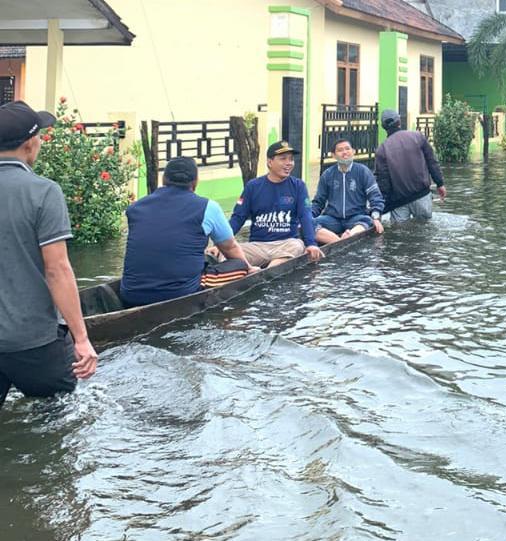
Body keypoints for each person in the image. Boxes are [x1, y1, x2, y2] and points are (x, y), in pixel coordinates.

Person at [0, 101, 97, 409]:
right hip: (34, 342)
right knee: (58, 417)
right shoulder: (43, 191)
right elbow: (58, 270)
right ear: (30, 145)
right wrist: (81, 339)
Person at [120, 157, 255, 307]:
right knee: (239, 265)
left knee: (208, 257)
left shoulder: (135, 208)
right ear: (195, 181)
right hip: (181, 292)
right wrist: (249, 268)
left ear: (164, 179)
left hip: (130, 294)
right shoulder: (208, 207)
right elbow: (230, 247)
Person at [228, 141, 321, 267]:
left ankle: (267, 271)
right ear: (270, 162)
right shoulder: (253, 186)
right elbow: (238, 217)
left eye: (291, 159)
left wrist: (311, 243)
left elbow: (305, 216)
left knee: (297, 245)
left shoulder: (298, 186)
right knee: (223, 254)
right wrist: (222, 243)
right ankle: (252, 270)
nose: (289, 163)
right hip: (257, 247)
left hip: (286, 244)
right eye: (283, 159)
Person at [374, 109, 447, 222]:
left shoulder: (381, 150)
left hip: (398, 203)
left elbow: (383, 183)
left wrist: (379, 208)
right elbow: (432, 162)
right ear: (399, 122)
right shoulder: (418, 137)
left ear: (384, 127)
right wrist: (440, 183)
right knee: (425, 232)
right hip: (422, 196)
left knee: (399, 235)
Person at [313, 139, 385, 244]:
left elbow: (375, 197)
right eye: (340, 150)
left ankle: (347, 236)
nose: (345, 152)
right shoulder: (327, 174)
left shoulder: (363, 171)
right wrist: (307, 217)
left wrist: (376, 216)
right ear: (333, 155)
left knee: (368, 221)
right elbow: (318, 202)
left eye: (347, 149)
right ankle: (340, 241)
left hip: (356, 218)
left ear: (353, 151)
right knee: (309, 225)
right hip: (332, 219)